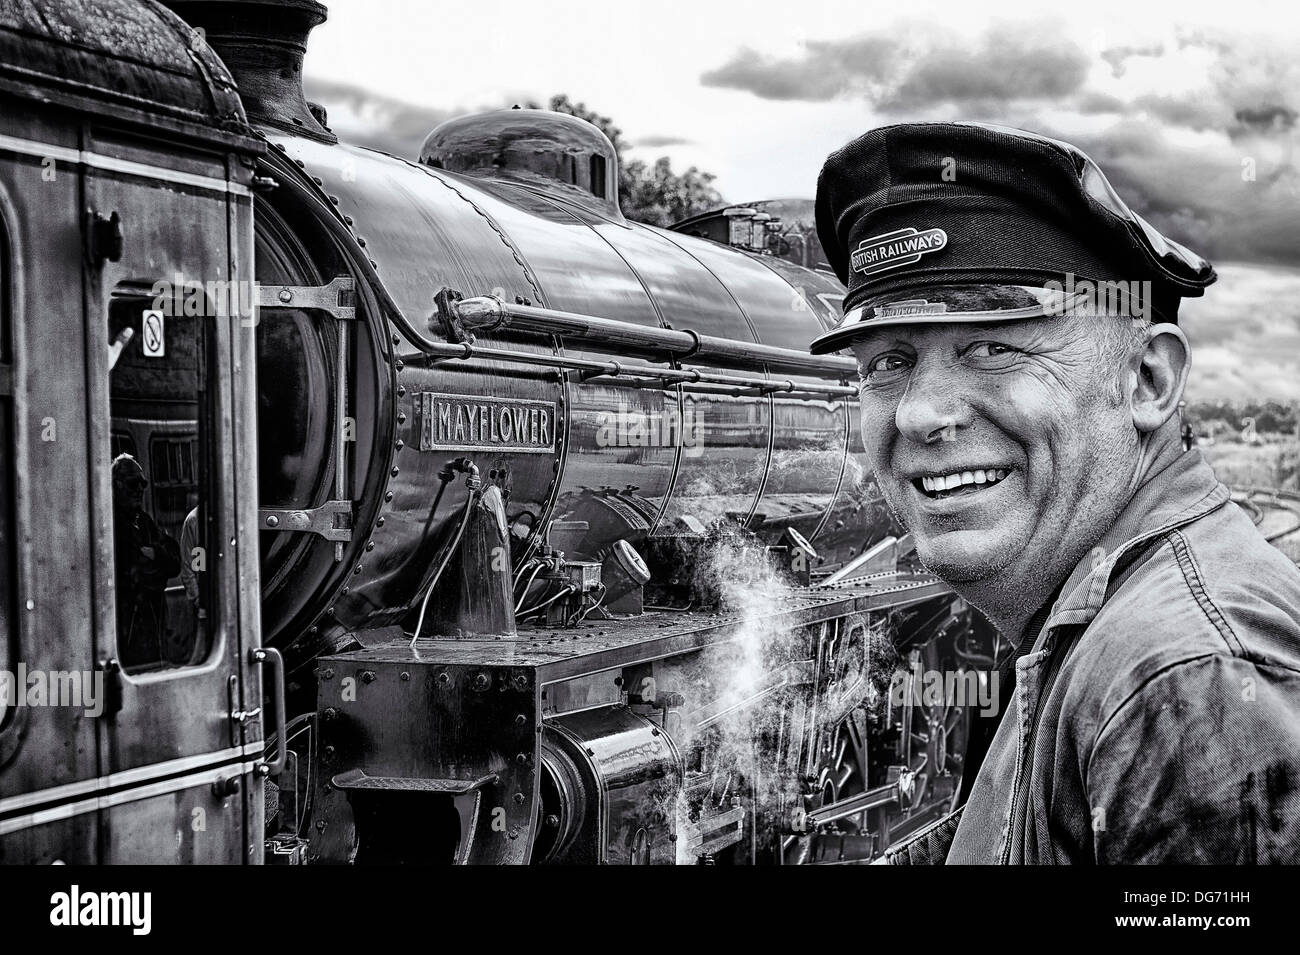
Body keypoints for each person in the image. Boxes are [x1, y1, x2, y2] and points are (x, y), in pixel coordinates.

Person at [810, 122, 1300, 863]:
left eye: (994, 346)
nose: (919, 412)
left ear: (1148, 381)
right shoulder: (1094, 619)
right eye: (888, 362)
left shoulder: (1180, 677)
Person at [111, 453, 182, 670]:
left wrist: (155, 554)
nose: (140, 489)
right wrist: (156, 563)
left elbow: (175, 562)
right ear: (116, 485)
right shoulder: (113, 524)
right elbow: (137, 576)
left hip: (152, 625)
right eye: (133, 483)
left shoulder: (144, 521)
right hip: (126, 630)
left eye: (143, 484)